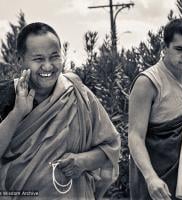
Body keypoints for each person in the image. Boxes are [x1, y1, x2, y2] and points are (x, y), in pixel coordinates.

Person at [0, 22, 120, 200]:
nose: (48, 66)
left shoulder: (79, 95)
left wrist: (83, 161)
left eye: (54, 57)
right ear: (20, 61)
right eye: (39, 59)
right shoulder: (5, 95)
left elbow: (111, 148)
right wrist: (17, 112)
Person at [128, 18, 182, 200]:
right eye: (179, 49)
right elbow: (135, 137)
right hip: (157, 182)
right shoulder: (148, 82)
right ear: (165, 47)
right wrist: (151, 177)